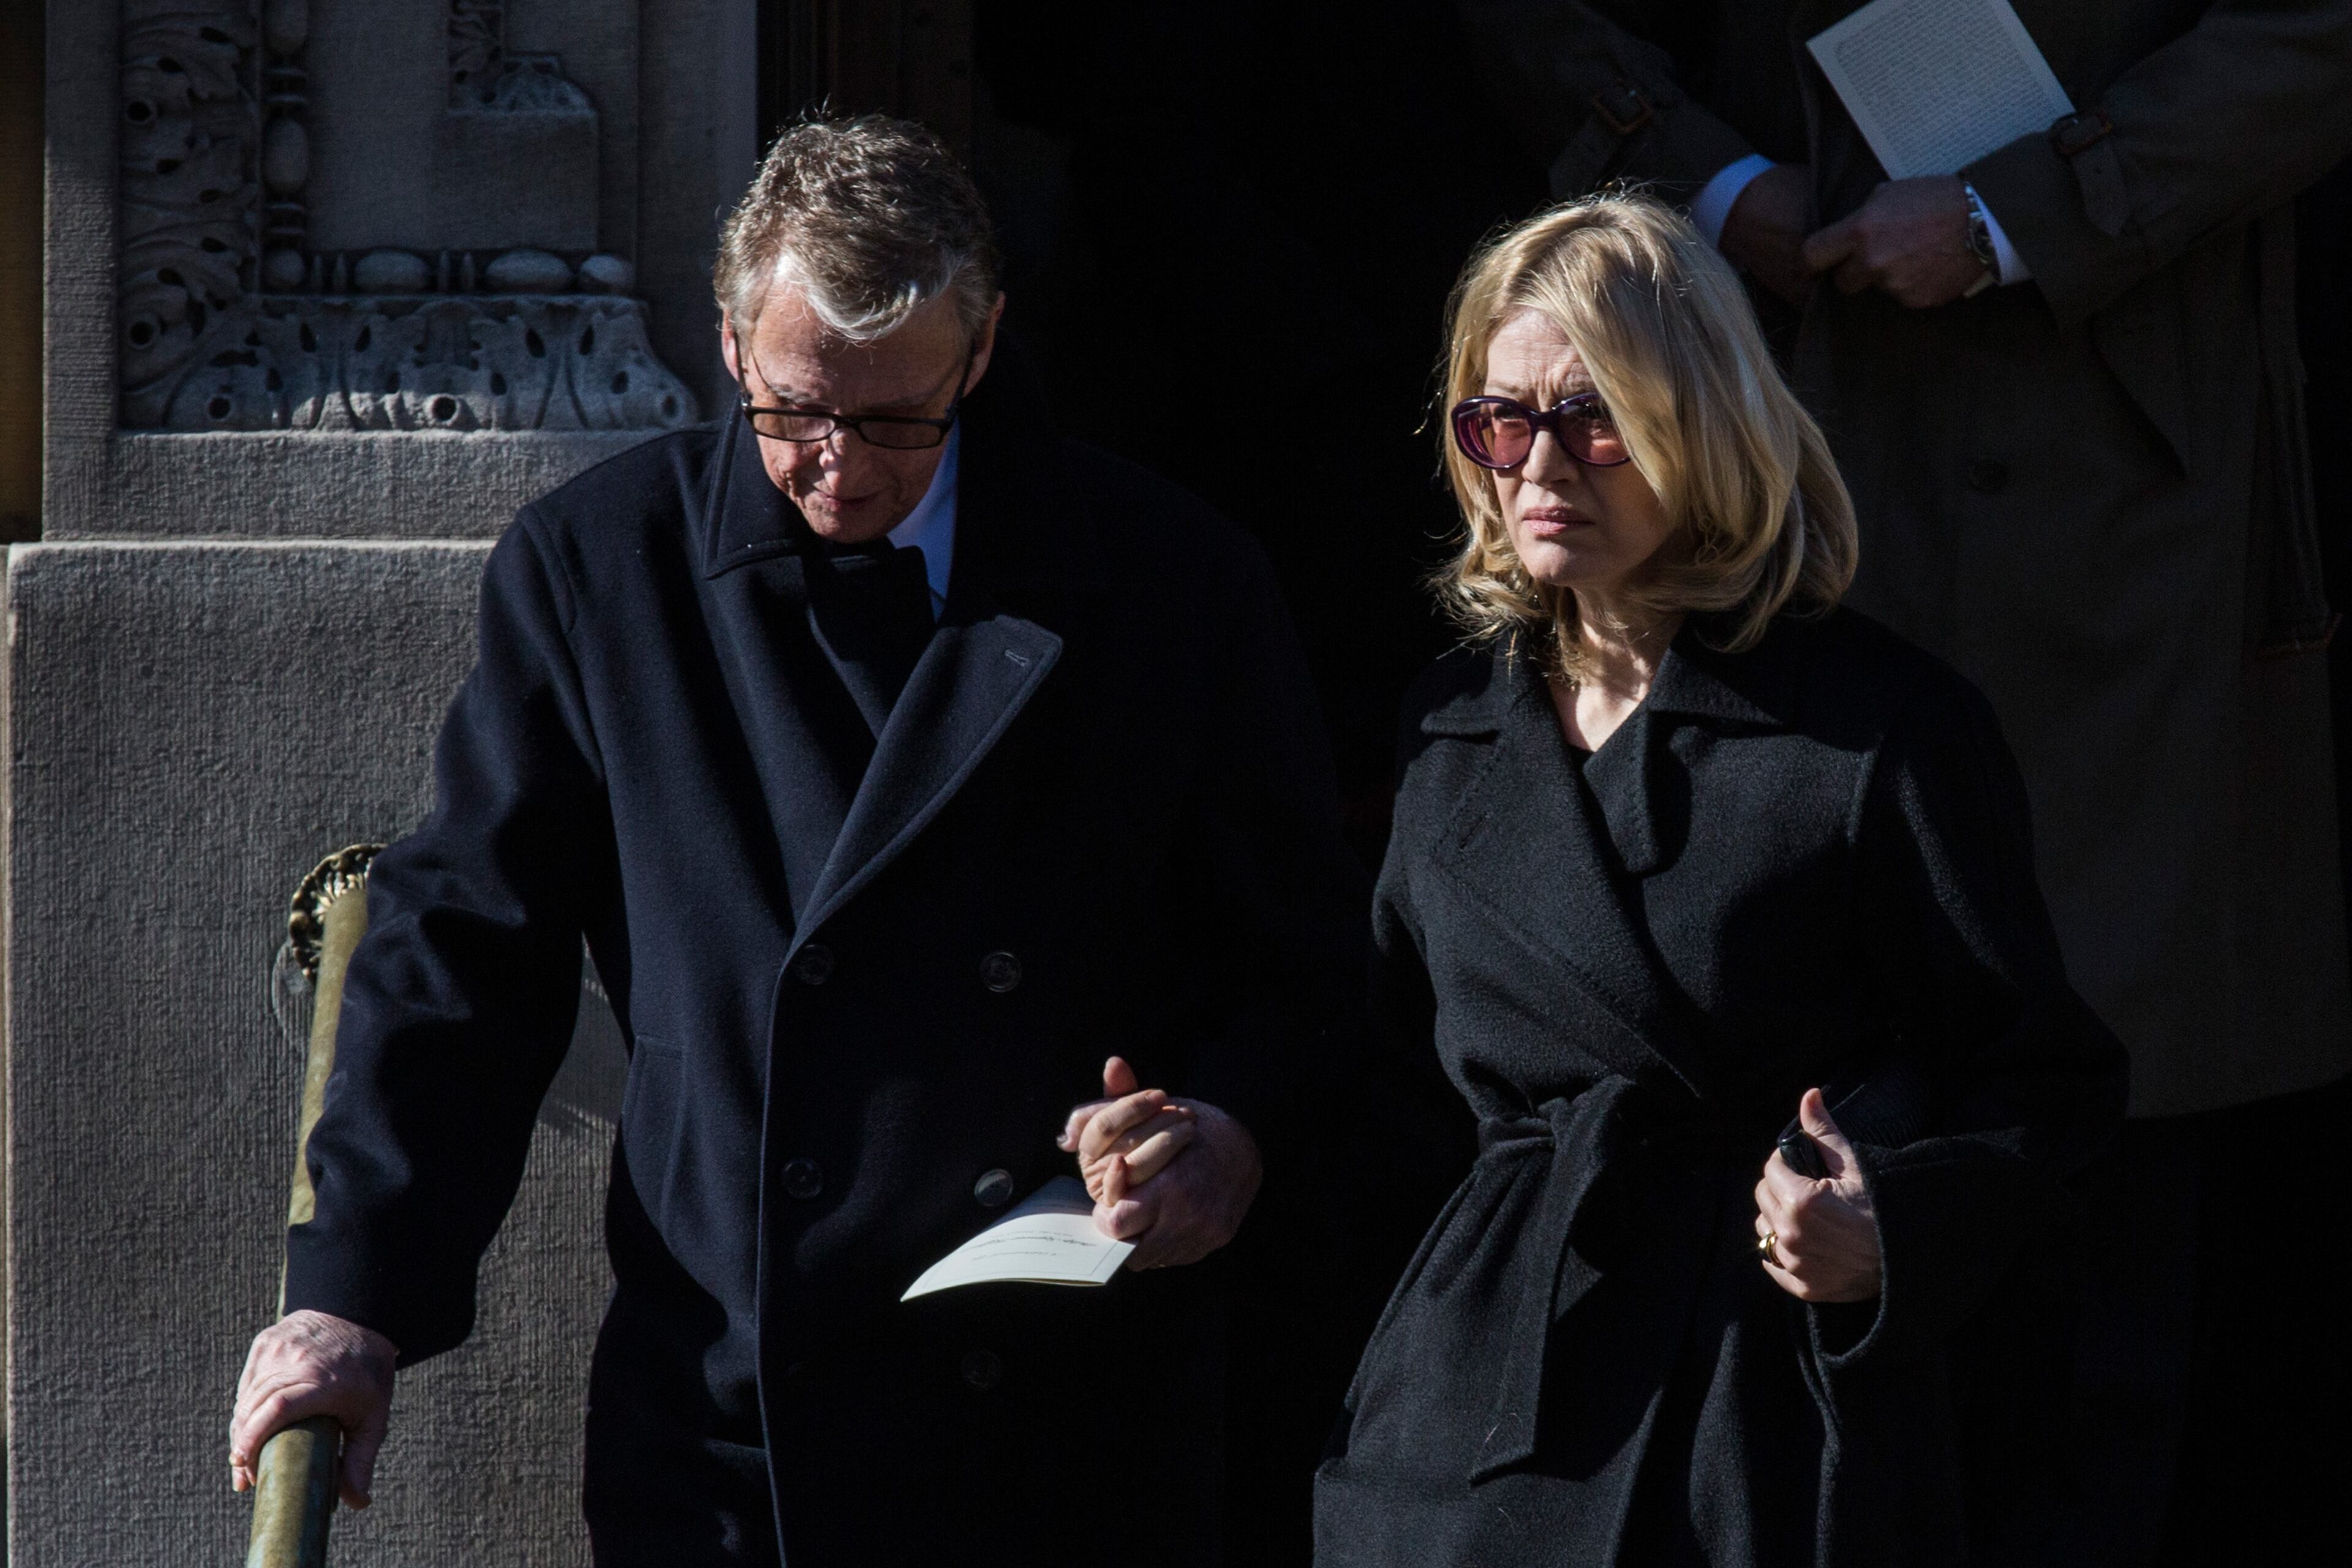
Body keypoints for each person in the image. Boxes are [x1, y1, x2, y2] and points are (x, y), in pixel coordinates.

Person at [226, 114, 1365, 1566]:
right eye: (792, 411)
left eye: (896, 420)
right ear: (726, 345)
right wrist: (351, 1295)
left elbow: (1307, 963)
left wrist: (1230, 1131)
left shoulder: (1171, 583)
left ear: (984, 349)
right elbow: (465, 947)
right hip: (730, 1417)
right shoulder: (600, 570)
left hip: (1062, 1426)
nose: (836, 466)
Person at [1453, 6, 2352, 1557]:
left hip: (2116, 497)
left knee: (2092, 1216)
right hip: (1773, 426)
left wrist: (2036, 210)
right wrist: (1711, 180)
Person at [1313, 195, 2127, 1566]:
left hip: (1755, 1428)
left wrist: (1885, 1233)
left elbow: (2045, 1089)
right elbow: (1385, 1092)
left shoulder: (1877, 730)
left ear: (1700, 420)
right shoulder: (1454, 727)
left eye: (1594, 416)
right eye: (1498, 421)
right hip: (1473, 1416)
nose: (1541, 465)